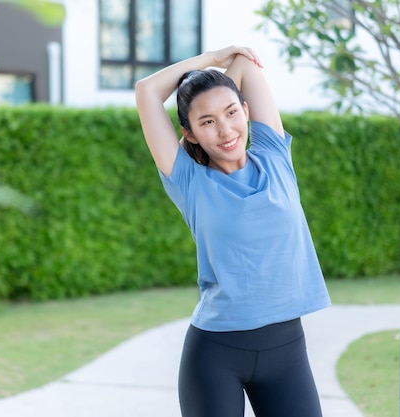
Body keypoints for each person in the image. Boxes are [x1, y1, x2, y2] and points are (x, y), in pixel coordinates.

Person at [134, 46, 331, 417]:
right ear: (188, 134)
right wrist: (207, 59)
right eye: (206, 122)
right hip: (215, 356)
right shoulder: (188, 179)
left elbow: (246, 64)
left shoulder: (274, 154)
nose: (225, 130)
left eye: (231, 113)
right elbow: (146, 91)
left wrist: (221, 72)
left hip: (287, 352)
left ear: (246, 111)